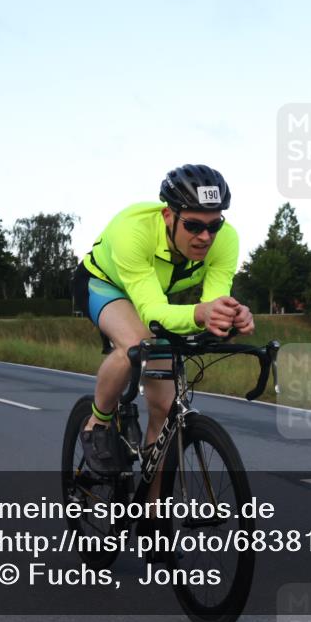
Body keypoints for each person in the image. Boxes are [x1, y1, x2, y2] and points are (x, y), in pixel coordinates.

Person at [72, 164, 255, 475]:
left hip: (152, 295)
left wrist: (230, 316)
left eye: (214, 225)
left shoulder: (226, 240)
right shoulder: (133, 230)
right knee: (139, 341)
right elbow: (153, 312)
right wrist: (201, 313)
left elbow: (213, 303)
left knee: (165, 410)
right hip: (105, 284)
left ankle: (153, 514)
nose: (205, 237)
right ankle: (97, 423)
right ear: (168, 216)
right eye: (194, 225)